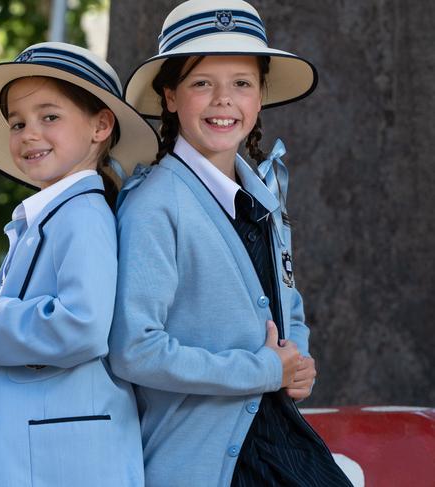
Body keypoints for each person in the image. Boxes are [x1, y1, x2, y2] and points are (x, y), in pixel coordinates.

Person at [109, 1, 353, 486]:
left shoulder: (262, 197)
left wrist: (296, 362)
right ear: (170, 96)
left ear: (260, 96)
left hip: (278, 438)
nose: (224, 100)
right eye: (202, 83)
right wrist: (263, 370)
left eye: (241, 83)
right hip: (203, 461)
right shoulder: (154, 205)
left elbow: (288, 304)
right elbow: (135, 349)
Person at [0, 41, 158, 486]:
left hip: (71, 464)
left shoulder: (83, 215)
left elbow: (83, 325)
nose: (29, 134)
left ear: (101, 125)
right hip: (42, 459)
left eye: (50, 117)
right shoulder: (47, 215)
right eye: (18, 123)